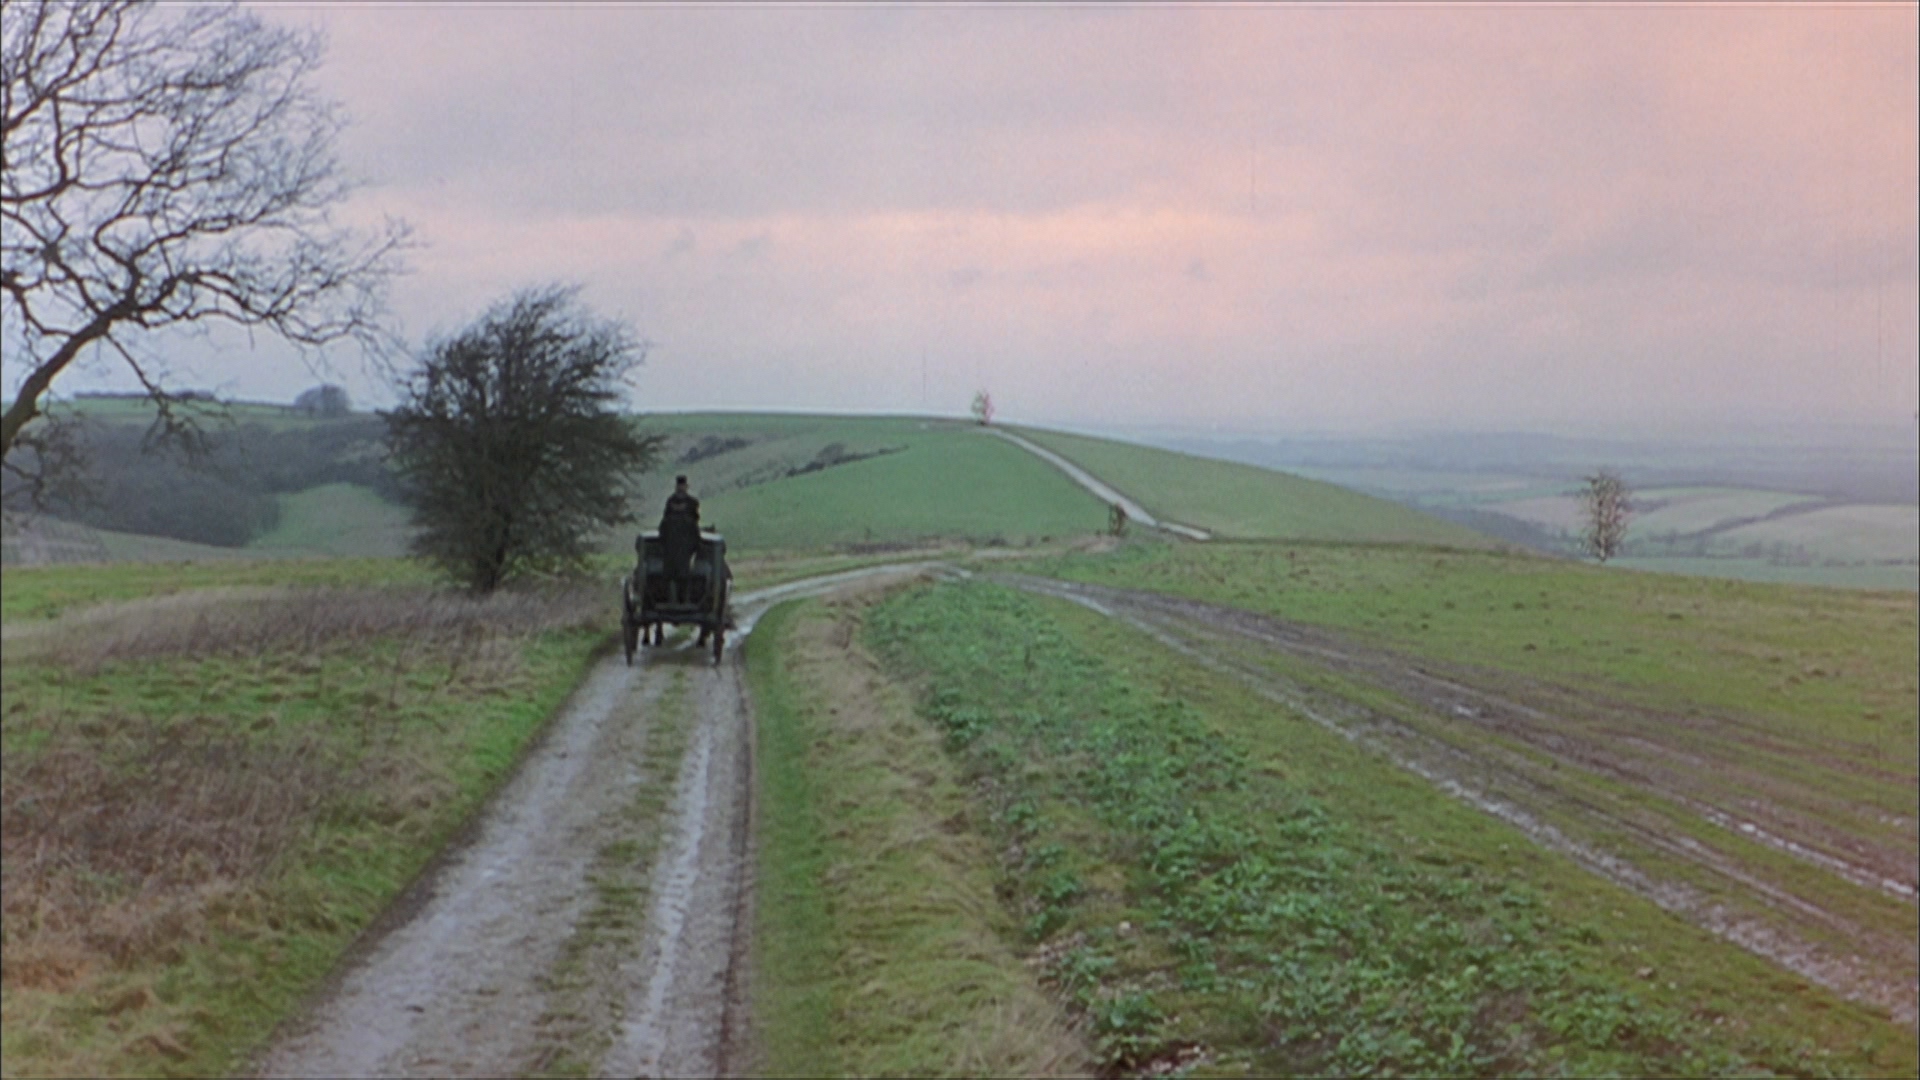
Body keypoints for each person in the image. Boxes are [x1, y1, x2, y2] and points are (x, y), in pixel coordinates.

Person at [659, 475, 701, 600]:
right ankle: (678, 598)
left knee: (676, 573)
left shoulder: (674, 501)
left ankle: (675, 598)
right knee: (679, 573)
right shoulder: (689, 502)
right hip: (679, 544)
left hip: (678, 544)